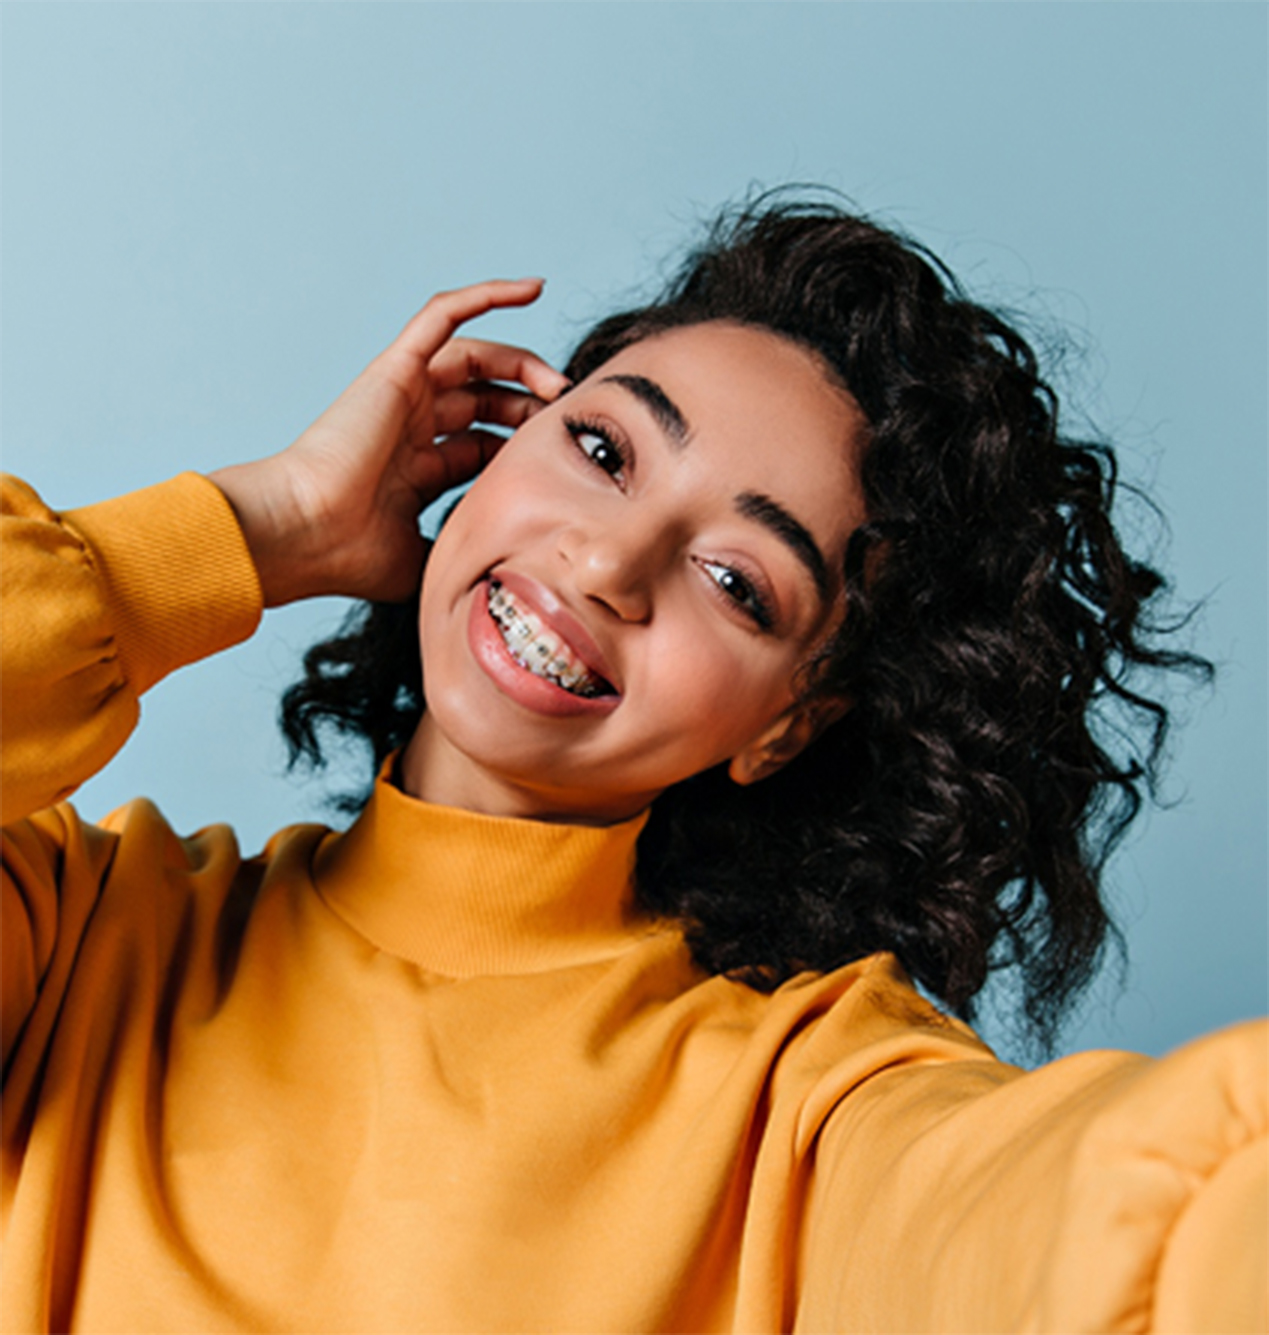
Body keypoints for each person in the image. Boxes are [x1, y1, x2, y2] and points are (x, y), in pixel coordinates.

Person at [2, 198, 1264, 1334]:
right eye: (604, 452)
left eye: (736, 583)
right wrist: (265, 526)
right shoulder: (73, 937)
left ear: (789, 724)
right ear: (496, 446)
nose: (607, 566)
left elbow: (1078, 1222)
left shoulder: (809, 1106)